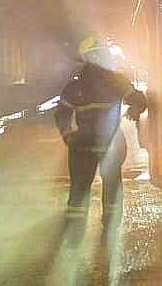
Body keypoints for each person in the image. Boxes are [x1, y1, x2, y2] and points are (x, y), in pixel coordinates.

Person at [54, 37, 148, 231]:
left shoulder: (75, 87)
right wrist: (134, 110)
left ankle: (74, 229)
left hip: (82, 145)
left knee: (80, 188)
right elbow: (139, 101)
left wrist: (68, 135)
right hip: (110, 142)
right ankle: (110, 227)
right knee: (112, 186)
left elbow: (61, 115)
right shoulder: (116, 82)